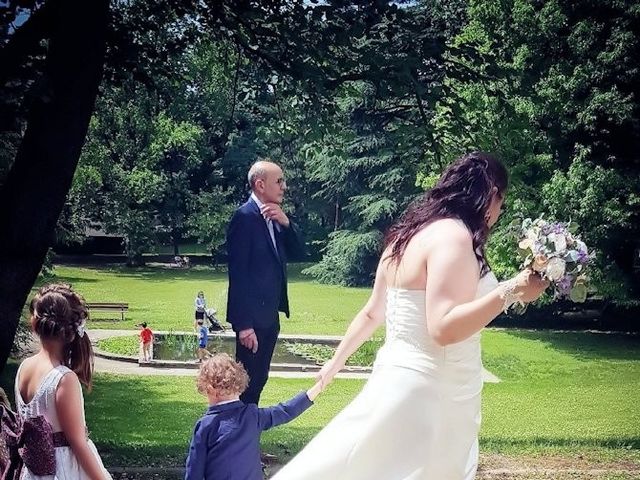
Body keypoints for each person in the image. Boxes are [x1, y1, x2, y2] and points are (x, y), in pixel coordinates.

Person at [272, 152, 549, 480]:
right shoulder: (454, 237)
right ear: (491, 195)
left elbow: (373, 313)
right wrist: (511, 291)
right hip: (434, 390)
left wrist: (334, 364)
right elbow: (443, 328)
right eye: (501, 202)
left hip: (397, 376)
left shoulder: (404, 238)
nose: (498, 213)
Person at [14, 283, 112, 479]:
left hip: (33, 472)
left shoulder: (24, 367)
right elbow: (78, 443)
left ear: (34, 324)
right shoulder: (63, 379)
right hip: (63, 470)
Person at [226, 160, 304, 405]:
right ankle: (238, 438)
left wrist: (287, 223)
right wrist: (244, 325)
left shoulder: (274, 216)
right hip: (252, 323)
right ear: (260, 184)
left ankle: (246, 437)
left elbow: (301, 252)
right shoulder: (244, 218)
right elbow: (238, 274)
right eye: (279, 181)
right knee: (246, 386)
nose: (284, 186)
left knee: (259, 381)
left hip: (270, 318)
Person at [184, 353, 322, 480]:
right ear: (239, 386)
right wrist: (317, 388)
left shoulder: (206, 425)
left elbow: (194, 472)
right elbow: (285, 411)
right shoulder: (252, 416)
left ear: (209, 389)